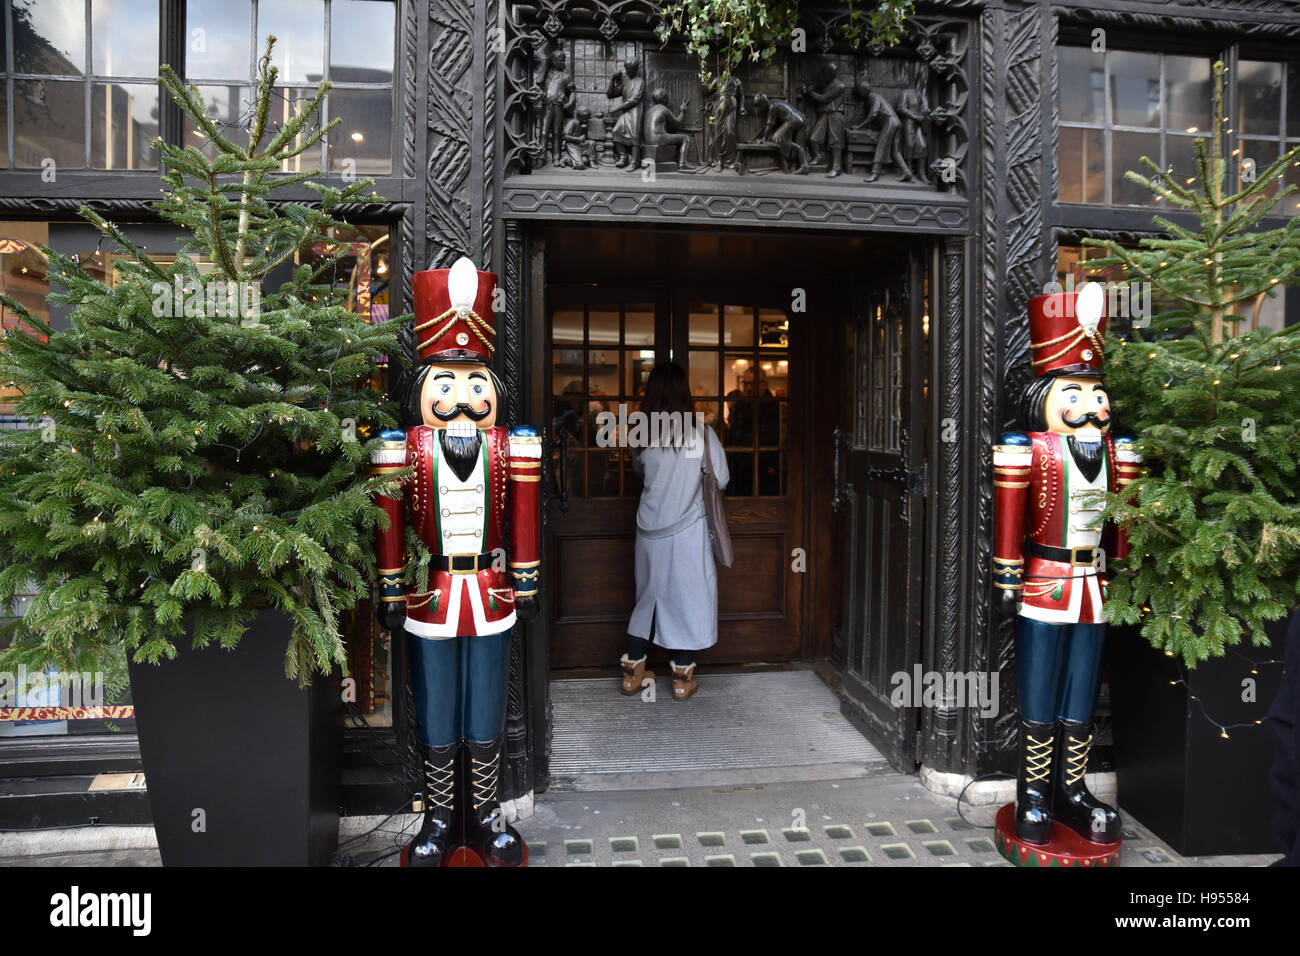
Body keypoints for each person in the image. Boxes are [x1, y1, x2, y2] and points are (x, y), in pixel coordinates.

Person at [621, 362, 729, 701]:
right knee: (688, 599)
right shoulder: (700, 434)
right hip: (688, 530)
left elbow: (640, 470)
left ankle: (632, 673)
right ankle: (682, 679)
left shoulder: (641, 432)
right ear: (685, 394)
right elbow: (721, 478)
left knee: (646, 600)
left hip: (649, 528)